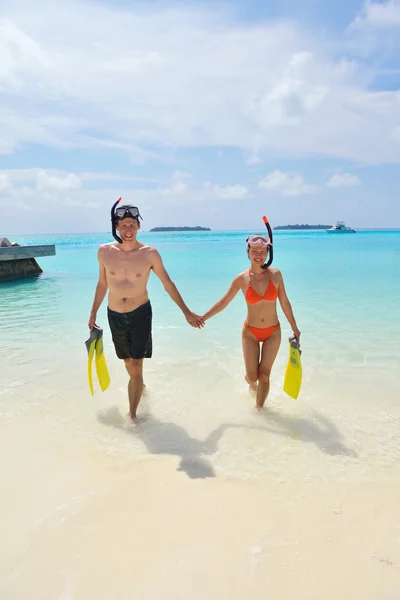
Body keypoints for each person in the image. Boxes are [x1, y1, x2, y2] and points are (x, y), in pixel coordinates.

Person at [88, 200, 204, 420]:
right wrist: (93, 312)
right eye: (123, 225)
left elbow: (168, 283)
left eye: (132, 224)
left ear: (139, 226)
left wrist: (186, 311)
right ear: (116, 227)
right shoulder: (104, 252)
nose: (128, 229)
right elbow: (102, 283)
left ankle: (133, 416)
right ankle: (139, 385)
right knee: (127, 361)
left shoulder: (150, 254)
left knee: (137, 364)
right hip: (114, 314)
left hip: (140, 313)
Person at [202, 233, 300, 409]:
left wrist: (295, 327)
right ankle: (250, 384)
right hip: (250, 333)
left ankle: (259, 411)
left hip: (273, 332)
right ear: (248, 252)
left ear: (268, 253)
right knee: (252, 377)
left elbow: (285, 302)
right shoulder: (241, 279)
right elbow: (224, 302)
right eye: (254, 250)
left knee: (264, 376)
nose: (259, 254)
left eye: (263, 250)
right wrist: (203, 317)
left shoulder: (276, 275)